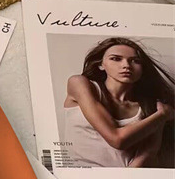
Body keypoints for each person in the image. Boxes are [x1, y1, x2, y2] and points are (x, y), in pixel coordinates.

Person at [62, 37, 175, 169]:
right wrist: (162, 115)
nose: (126, 65)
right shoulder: (80, 84)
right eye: (116, 59)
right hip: (80, 176)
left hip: (129, 178)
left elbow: (148, 153)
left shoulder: (151, 106)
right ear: (101, 64)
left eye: (135, 61)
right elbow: (117, 140)